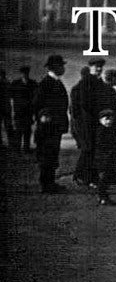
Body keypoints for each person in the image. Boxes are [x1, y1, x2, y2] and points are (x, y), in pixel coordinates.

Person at [31, 54, 69, 193]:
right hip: (48, 128)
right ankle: (46, 185)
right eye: (61, 66)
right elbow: (37, 104)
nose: (63, 68)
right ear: (55, 67)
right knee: (47, 156)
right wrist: (44, 116)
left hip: (55, 127)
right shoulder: (46, 84)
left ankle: (50, 183)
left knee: (52, 156)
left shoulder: (55, 82)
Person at [70, 60, 104, 187]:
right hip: (86, 123)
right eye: (96, 67)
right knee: (88, 150)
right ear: (90, 68)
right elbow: (81, 106)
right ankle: (83, 176)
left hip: (94, 122)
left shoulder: (97, 82)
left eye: (100, 67)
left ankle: (87, 177)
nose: (99, 69)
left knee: (92, 150)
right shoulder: (85, 83)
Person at [94, 109, 116, 206]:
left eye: (111, 119)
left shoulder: (110, 130)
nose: (109, 121)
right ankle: (102, 197)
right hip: (102, 158)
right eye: (106, 119)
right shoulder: (101, 131)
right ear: (100, 120)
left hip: (108, 157)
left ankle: (103, 196)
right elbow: (101, 145)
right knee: (103, 178)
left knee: (106, 178)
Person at [11, 65, 37, 152]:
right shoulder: (15, 84)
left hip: (28, 111)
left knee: (27, 130)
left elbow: (36, 97)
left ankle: (26, 147)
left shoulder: (33, 84)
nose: (25, 75)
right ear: (21, 74)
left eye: (26, 73)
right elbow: (11, 97)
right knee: (18, 130)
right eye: (23, 73)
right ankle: (17, 148)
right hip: (18, 111)